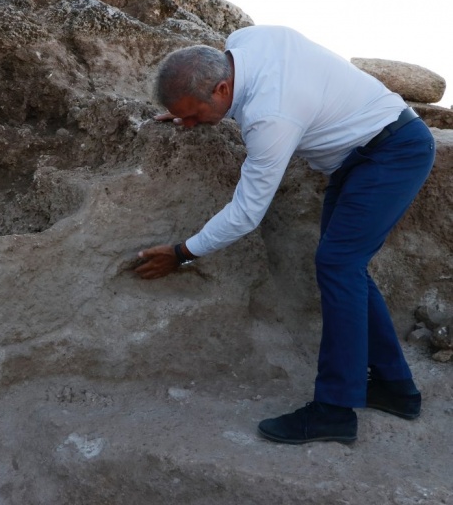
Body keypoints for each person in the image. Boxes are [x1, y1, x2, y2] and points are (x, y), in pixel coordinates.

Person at [135, 25, 435, 444]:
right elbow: (203, 85)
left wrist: (183, 252)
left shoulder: (269, 116)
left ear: (223, 88)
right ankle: (395, 388)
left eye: (191, 114)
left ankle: (334, 411)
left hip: (392, 152)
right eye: (181, 115)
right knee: (346, 268)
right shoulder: (244, 41)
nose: (185, 124)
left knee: (339, 265)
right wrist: (187, 106)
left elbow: (246, 213)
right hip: (361, 156)